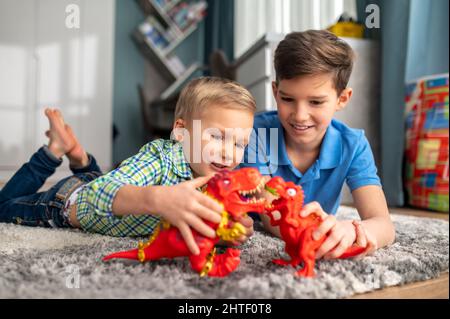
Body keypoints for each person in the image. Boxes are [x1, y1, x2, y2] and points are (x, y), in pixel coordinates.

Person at [0, 77, 257, 256]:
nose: (228, 153)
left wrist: (222, 230)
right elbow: (96, 194)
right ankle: (54, 150)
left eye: (239, 143)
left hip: (98, 189)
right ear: (181, 132)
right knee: (3, 208)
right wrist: (156, 198)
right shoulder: (161, 159)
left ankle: (79, 157)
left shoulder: (215, 175)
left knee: (95, 178)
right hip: (64, 203)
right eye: (217, 136)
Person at [240, 30, 395, 259]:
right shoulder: (256, 133)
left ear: (342, 99)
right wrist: (318, 234)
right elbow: (272, 216)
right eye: (287, 99)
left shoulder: (353, 144)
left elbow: (384, 224)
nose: (300, 115)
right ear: (275, 92)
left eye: (315, 102)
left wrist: (354, 230)